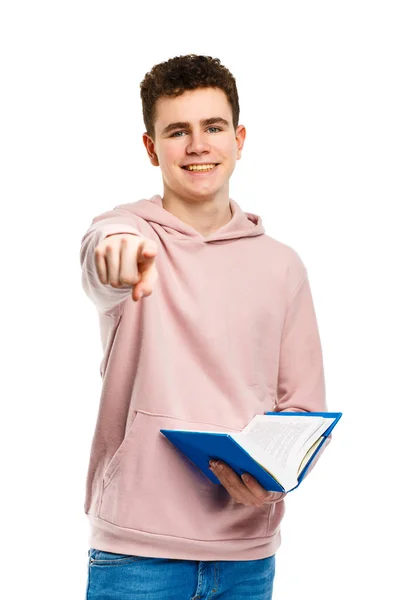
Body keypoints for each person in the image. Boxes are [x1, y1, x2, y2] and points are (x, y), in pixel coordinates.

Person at [80, 54, 329, 600]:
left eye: (213, 127)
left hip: (246, 559)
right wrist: (116, 252)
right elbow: (105, 258)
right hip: (137, 556)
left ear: (239, 138)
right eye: (177, 131)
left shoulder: (282, 264)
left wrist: (273, 478)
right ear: (151, 148)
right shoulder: (126, 234)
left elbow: (303, 410)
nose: (197, 145)